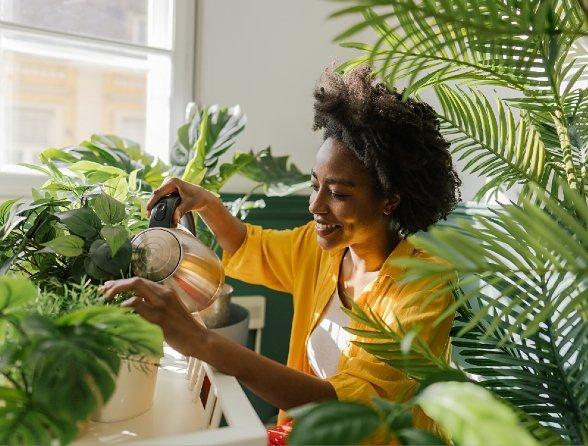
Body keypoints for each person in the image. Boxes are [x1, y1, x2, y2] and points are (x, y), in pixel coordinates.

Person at [100, 65, 461, 435]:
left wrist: (202, 342)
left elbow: (348, 409)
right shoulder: (323, 250)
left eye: (338, 194)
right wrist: (206, 203)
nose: (315, 206)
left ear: (390, 199)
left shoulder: (425, 286)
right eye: (314, 185)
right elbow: (249, 246)